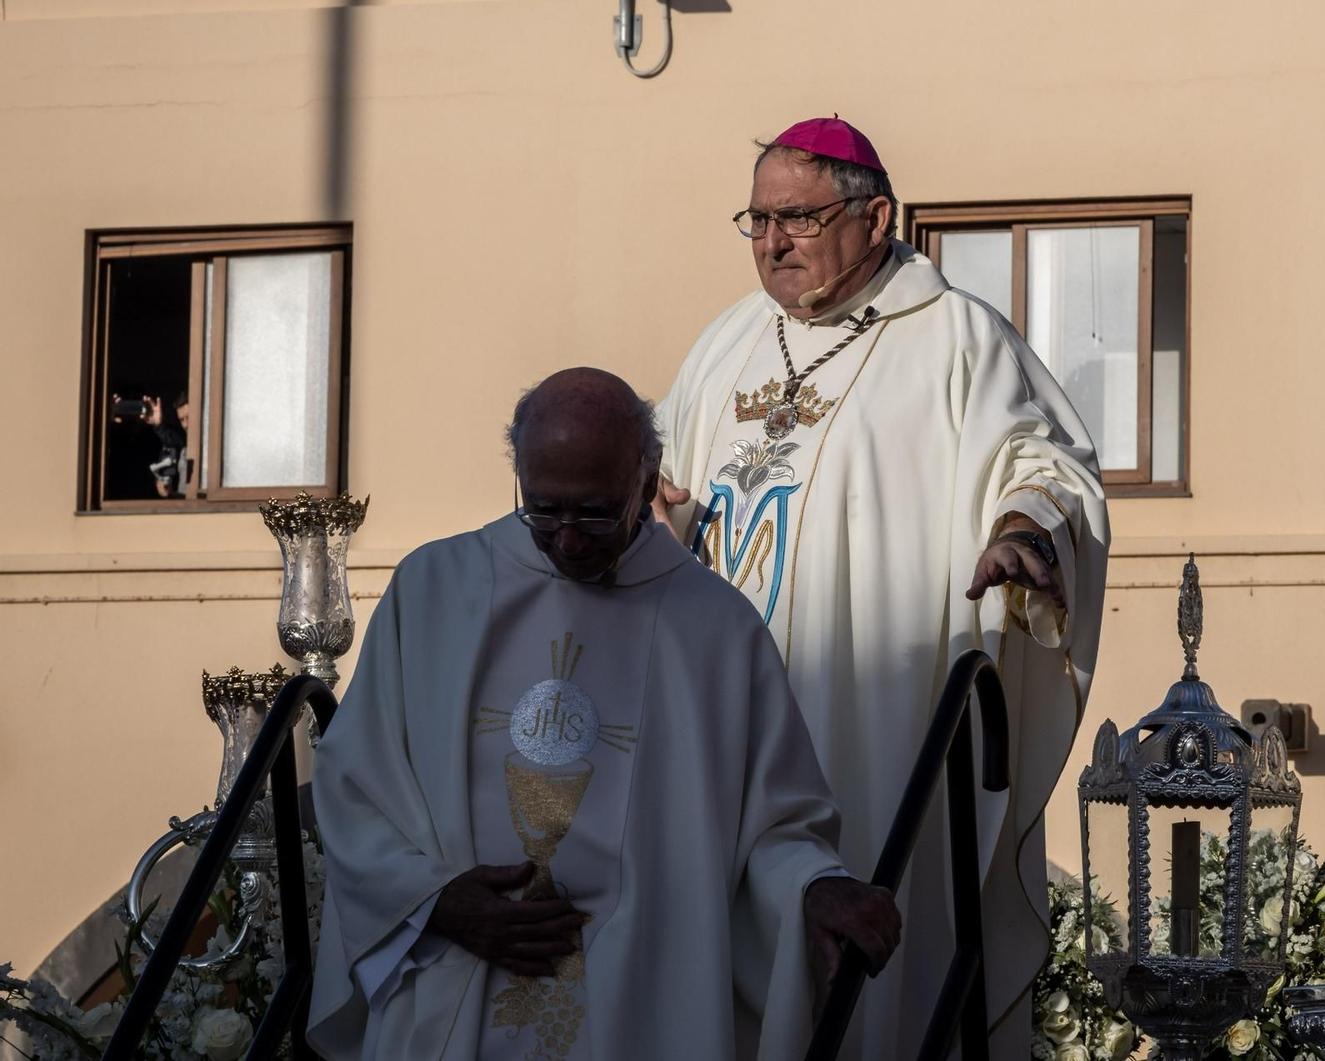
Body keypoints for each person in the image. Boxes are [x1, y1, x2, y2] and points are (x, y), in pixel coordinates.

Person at [652, 117, 1109, 1056]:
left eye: (798, 218)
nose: (772, 241)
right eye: (756, 219)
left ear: (876, 216)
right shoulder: (727, 342)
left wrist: (1023, 528)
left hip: (864, 711)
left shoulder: (956, 338)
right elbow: (656, 462)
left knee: (864, 971)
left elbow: (1045, 459)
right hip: (718, 708)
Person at [307, 367, 901, 1061]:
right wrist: (434, 900)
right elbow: (355, 785)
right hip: (455, 972)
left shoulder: (714, 629)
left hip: (641, 997)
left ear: (646, 483)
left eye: (593, 512)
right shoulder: (434, 589)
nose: (566, 539)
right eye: (543, 510)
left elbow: (770, 824)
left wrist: (815, 884)